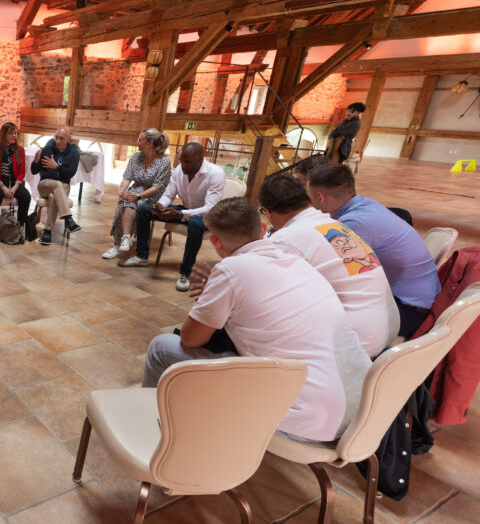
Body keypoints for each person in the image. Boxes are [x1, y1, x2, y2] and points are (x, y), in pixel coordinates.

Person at [143, 198, 370, 443]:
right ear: (263, 229)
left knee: (162, 347)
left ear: (215, 241)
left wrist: (212, 297)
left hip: (310, 421)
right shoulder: (299, 263)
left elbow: (191, 339)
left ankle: (149, 425)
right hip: (362, 411)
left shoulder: (231, 270)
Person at [258, 174, 398, 358]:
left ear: (268, 213)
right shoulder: (334, 224)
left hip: (352, 343)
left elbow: (266, 294)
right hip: (386, 327)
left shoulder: (285, 239)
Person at [305, 163, 440, 337]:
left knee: (312, 315)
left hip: (407, 312)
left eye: (309, 198)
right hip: (420, 301)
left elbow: (328, 271)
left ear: (321, 197)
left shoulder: (354, 224)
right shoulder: (366, 205)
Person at [135, 142, 225, 291]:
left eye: (187, 161)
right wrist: (161, 206)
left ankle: (185, 273)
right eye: (181, 160)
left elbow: (210, 208)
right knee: (145, 209)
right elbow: (169, 194)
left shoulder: (215, 174)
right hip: (185, 210)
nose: (183, 165)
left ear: (200, 158)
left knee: (195, 224)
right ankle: (141, 256)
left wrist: (181, 214)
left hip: (207, 216)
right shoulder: (179, 170)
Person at [103, 128, 172, 264]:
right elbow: (127, 178)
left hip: (154, 195)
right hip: (136, 189)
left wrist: (138, 196)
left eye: (140, 140)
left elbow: (158, 186)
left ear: (150, 143)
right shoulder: (136, 157)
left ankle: (121, 241)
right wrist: (121, 190)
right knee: (125, 199)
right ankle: (124, 239)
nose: (137, 142)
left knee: (135, 202)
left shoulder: (164, 161)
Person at [31, 126, 81, 246]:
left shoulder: (74, 153)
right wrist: (35, 162)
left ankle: (47, 232)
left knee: (54, 196)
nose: (57, 141)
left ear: (69, 139)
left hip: (63, 187)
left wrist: (56, 167)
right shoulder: (48, 149)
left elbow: (70, 174)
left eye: (61, 138)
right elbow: (34, 171)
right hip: (44, 185)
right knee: (57, 185)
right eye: (56, 138)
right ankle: (68, 218)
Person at [0, 122, 30, 245]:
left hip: (15, 184)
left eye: (15, 133)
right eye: (10, 133)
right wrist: (4, 188)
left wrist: (15, 188)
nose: (14, 136)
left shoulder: (20, 150)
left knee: (26, 196)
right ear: (3, 135)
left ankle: (19, 229)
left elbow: (21, 173)